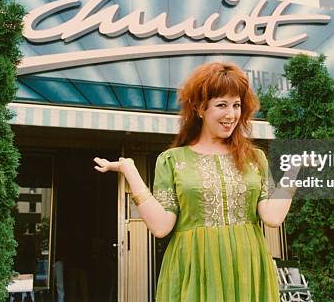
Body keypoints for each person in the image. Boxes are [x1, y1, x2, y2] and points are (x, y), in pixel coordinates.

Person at [94, 62, 297, 301]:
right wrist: (130, 171)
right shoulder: (173, 160)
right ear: (201, 108)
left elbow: (272, 217)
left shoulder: (255, 158)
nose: (231, 115)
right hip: (195, 269)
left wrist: (294, 172)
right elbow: (161, 227)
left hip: (248, 267)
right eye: (221, 105)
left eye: (236, 105)